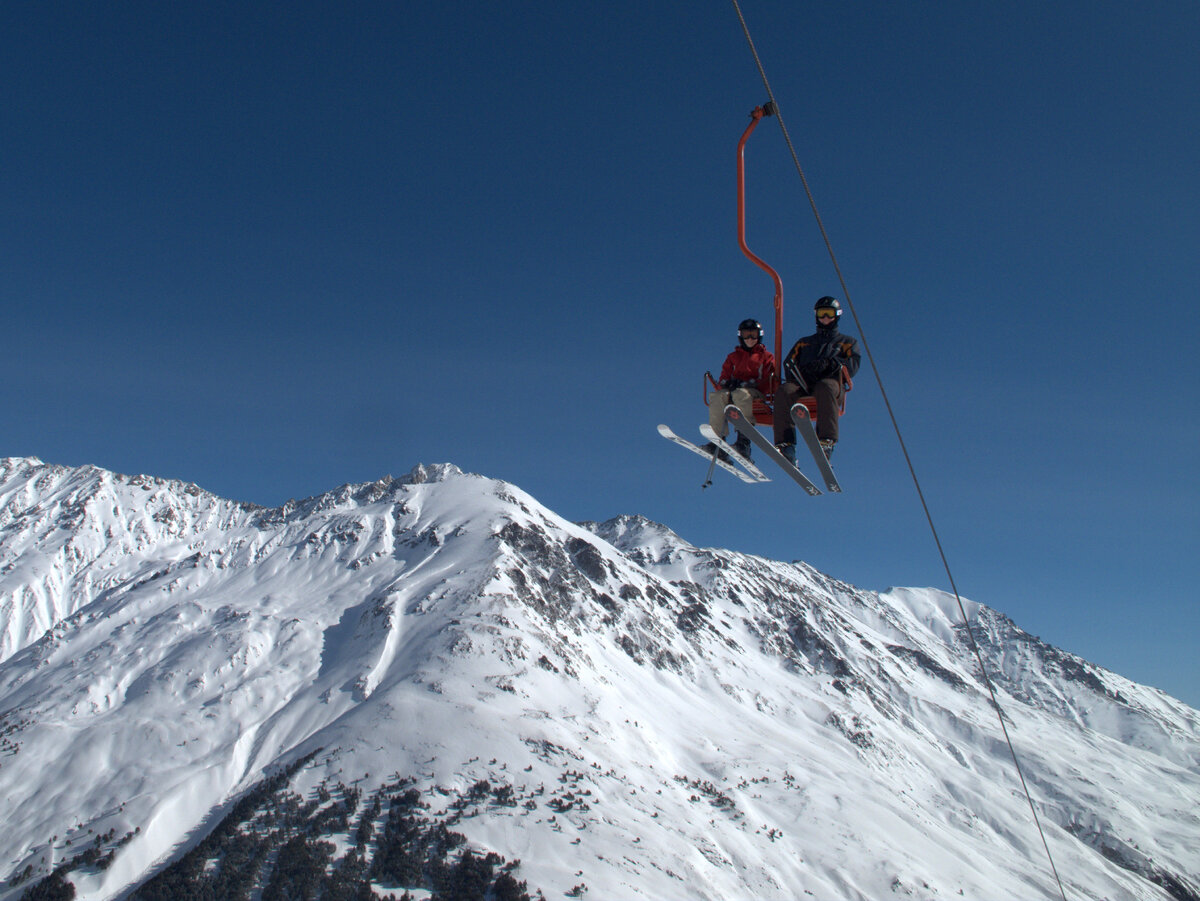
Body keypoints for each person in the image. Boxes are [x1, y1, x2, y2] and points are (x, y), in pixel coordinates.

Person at [773, 297, 861, 462]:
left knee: (825, 386)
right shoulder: (804, 343)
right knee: (785, 390)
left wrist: (831, 365)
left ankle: (826, 440)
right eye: (822, 314)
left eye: (830, 313)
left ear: (837, 316)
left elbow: (853, 365)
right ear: (816, 316)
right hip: (805, 385)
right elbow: (789, 363)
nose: (825, 318)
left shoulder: (847, 342)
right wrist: (804, 373)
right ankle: (786, 443)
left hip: (831, 387)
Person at [704, 318, 776, 461]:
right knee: (717, 396)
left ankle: (744, 442)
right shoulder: (733, 357)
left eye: (753, 335)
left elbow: (770, 380)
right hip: (735, 391)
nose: (749, 339)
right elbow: (724, 376)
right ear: (740, 336)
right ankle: (718, 440)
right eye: (746, 335)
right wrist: (727, 383)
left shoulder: (766, 356)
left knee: (741, 394)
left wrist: (750, 384)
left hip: (755, 392)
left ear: (759, 336)